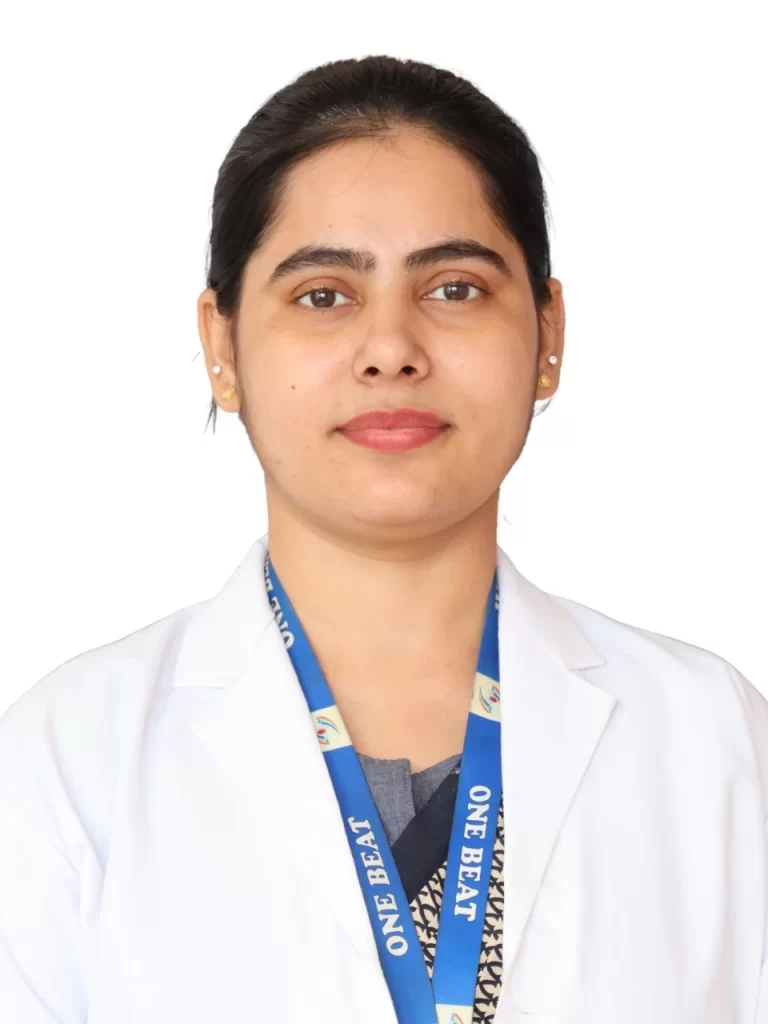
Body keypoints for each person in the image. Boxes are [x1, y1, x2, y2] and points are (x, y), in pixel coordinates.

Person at [1, 54, 766, 1024]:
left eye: (455, 288)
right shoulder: (64, 765)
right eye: (323, 295)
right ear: (222, 346)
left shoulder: (714, 743)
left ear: (548, 334)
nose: (392, 348)